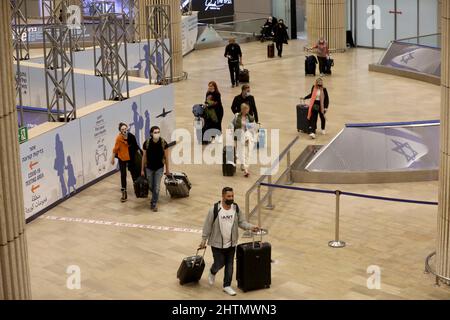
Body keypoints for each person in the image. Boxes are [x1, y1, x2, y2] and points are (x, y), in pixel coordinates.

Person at [199, 187, 260, 296]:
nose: (231, 198)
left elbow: (242, 222)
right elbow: (207, 226)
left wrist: (251, 227)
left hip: (231, 244)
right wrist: (204, 240)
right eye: (228, 196)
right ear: (223, 196)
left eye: (232, 196)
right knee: (219, 263)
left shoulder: (235, 208)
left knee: (230, 265)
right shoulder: (214, 209)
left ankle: (227, 285)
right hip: (217, 244)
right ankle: (213, 271)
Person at [141, 126, 170, 212]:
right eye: (155, 132)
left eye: (158, 132)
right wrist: (142, 169)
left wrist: (167, 170)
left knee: (156, 187)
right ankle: (155, 195)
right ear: (151, 133)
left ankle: (153, 203)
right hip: (149, 168)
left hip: (159, 168)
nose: (157, 134)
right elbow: (144, 157)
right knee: (150, 185)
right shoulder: (147, 143)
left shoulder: (163, 143)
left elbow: (166, 157)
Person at [231, 103, 257, 177]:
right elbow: (232, 124)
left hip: (247, 137)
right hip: (238, 136)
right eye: (244, 109)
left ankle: (246, 169)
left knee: (246, 152)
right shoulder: (236, 116)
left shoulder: (251, 118)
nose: (246, 111)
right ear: (242, 109)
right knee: (239, 152)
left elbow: (254, 128)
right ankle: (240, 163)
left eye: (247, 109)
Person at [111, 122, 134, 202]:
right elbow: (115, 149)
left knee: (134, 172)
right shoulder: (118, 138)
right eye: (122, 129)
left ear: (127, 128)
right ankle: (124, 192)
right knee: (123, 175)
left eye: (125, 129)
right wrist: (112, 158)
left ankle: (138, 187)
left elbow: (135, 145)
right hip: (122, 158)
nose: (124, 130)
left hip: (130, 158)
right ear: (120, 131)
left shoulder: (130, 136)